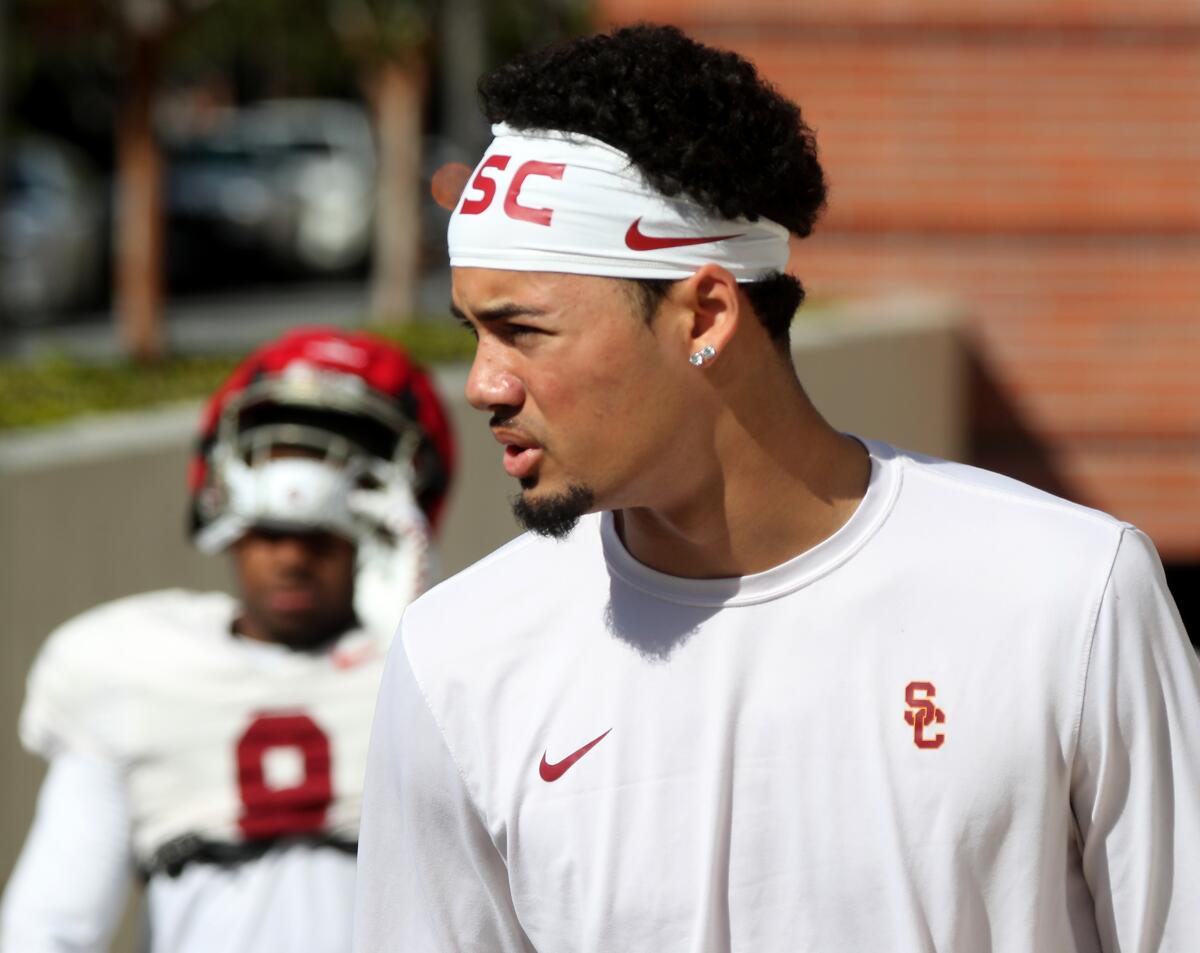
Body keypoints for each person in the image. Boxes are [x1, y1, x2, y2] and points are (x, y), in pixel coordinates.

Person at [352, 23, 1200, 953]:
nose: (483, 382)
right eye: (473, 331)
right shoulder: (458, 655)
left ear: (705, 314)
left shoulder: (1066, 596)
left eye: (524, 331)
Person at [0, 327, 454, 953]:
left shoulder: (450, 668)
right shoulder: (126, 669)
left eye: (321, 538)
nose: (291, 561)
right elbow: (48, 926)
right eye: (269, 532)